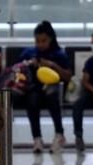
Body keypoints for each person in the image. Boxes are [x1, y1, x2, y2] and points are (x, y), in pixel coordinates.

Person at [18, 21, 71, 153]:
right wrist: (28, 64)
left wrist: (52, 65)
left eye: (44, 41)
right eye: (37, 41)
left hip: (52, 88)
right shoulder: (29, 53)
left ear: (51, 40)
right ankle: (37, 138)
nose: (40, 44)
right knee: (32, 100)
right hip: (34, 88)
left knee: (52, 95)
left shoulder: (59, 54)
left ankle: (59, 134)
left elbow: (67, 77)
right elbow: (17, 71)